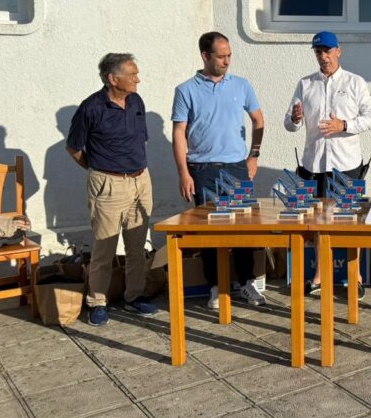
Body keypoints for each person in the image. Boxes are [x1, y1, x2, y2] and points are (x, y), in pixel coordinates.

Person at [172, 31, 266, 309]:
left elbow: (258, 120)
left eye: (229, 56)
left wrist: (254, 156)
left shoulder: (242, 85)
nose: (227, 61)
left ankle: (247, 282)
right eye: (221, 56)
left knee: (244, 227)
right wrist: (183, 173)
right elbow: (179, 132)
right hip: (203, 169)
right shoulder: (186, 90)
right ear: (205, 56)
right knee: (209, 231)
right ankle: (216, 287)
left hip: (237, 167)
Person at [284, 31, 371, 297]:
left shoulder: (355, 82)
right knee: (317, 221)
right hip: (313, 164)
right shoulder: (305, 84)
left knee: (349, 221)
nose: (323, 57)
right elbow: (290, 124)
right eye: (318, 52)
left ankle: (355, 276)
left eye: (327, 51)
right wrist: (295, 118)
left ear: (339, 51)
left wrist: (344, 125)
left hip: (347, 164)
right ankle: (319, 275)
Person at [66, 53, 158, 326]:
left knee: (137, 246)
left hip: (141, 181)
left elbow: (140, 140)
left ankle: (134, 296)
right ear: (113, 79)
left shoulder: (136, 101)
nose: (138, 79)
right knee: (104, 247)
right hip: (108, 184)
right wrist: (99, 170)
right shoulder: (91, 108)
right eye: (132, 75)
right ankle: (97, 302)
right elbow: (73, 148)